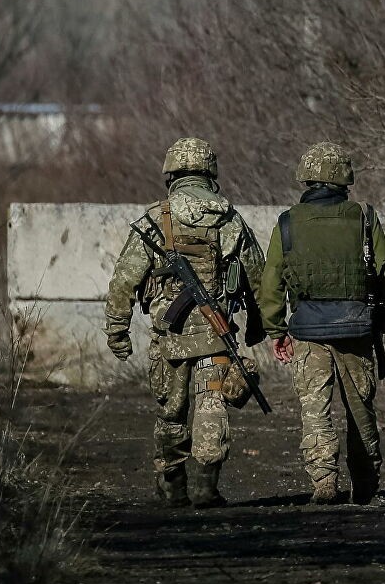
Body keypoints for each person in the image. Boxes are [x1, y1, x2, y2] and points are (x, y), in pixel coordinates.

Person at [104, 137, 266, 508]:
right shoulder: (229, 219)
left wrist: (118, 331)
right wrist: (263, 325)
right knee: (212, 404)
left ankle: (172, 490)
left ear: (171, 172)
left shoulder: (154, 219)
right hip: (217, 332)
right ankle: (205, 490)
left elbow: (124, 280)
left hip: (169, 336)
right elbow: (258, 277)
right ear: (210, 172)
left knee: (170, 412)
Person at [258, 143, 385, 505]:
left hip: (307, 331)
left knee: (314, 408)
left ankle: (324, 482)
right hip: (357, 328)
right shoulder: (365, 217)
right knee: (360, 408)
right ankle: (365, 485)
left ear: (305, 176)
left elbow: (271, 282)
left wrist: (276, 331)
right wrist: (380, 320)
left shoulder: (288, 222)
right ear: (345, 178)